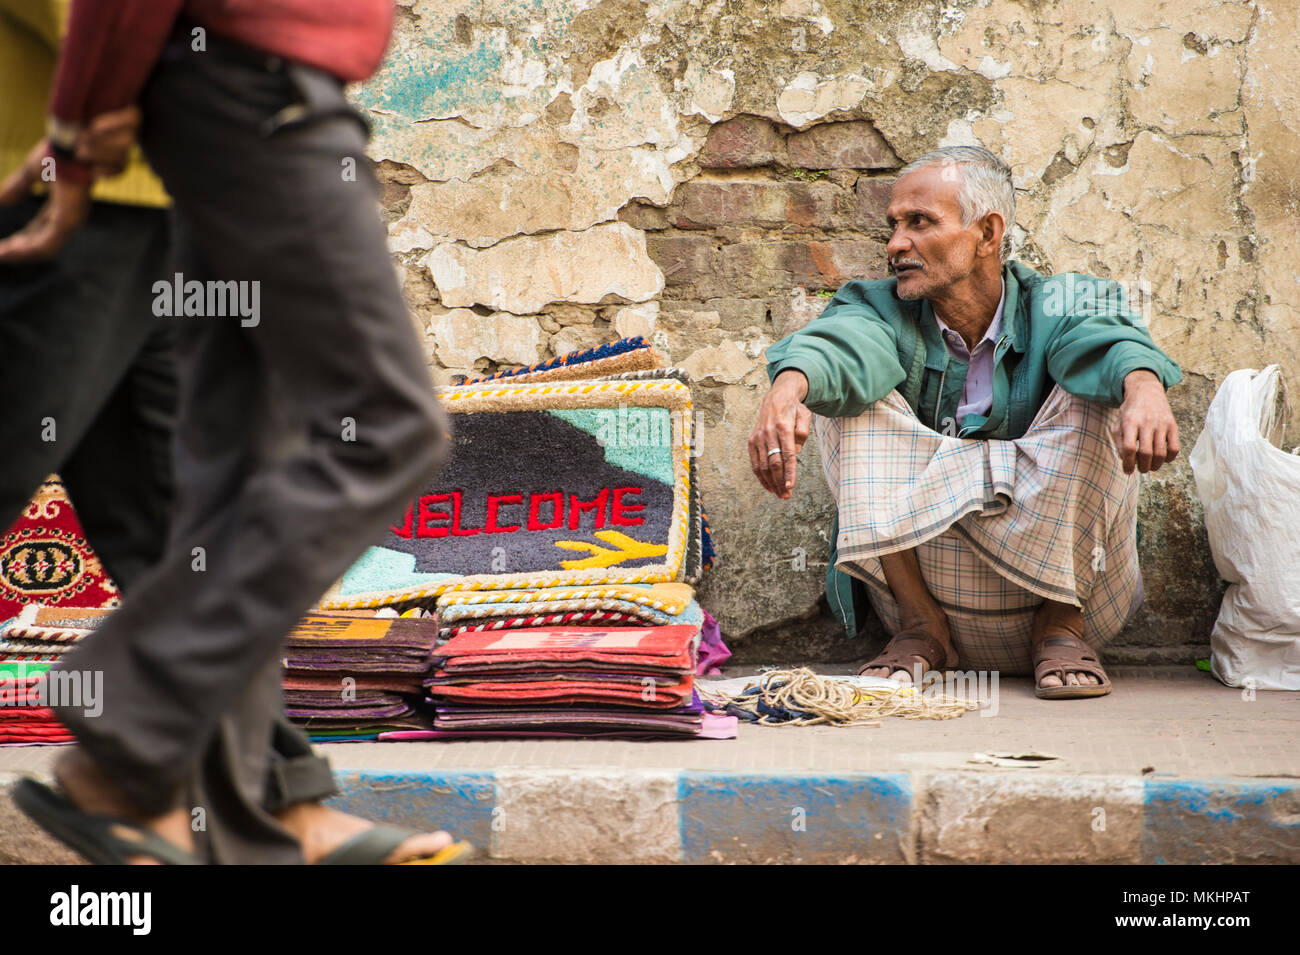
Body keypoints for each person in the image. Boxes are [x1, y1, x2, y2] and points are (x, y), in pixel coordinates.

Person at [4, 0, 469, 863]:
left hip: (185, 127)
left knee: (208, 489)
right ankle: (131, 719)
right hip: (194, 110)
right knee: (384, 427)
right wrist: (76, 124)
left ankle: (244, 806)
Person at [748, 145, 1182, 699]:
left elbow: (1105, 335)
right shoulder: (879, 307)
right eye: (894, 225)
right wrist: (790, 386)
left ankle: (1060, 625)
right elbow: (844, 343)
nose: (895, 244)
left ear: (987, 233)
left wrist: (1142, 384)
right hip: (928, 603)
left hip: (1068, 599)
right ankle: (921, 626)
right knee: (847, 403)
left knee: (1103, 390)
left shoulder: (1060, 300)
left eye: (920, 222)